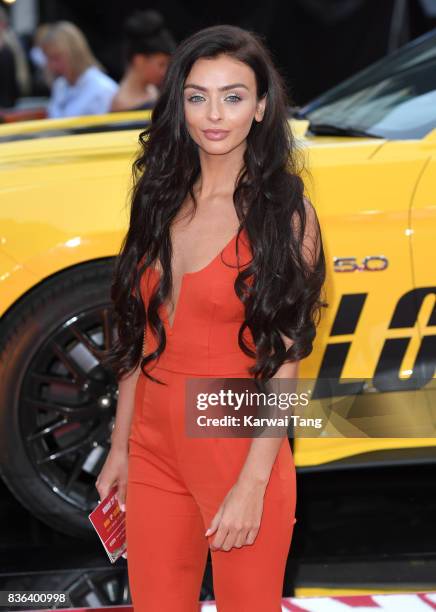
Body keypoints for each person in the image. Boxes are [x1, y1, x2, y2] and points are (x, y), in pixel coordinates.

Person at [97, 24, 327, 611]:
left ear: (261, 107)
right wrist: (120, 447)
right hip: (151, 446)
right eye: (197, 96)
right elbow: (138, 335)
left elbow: (285, 364)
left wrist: (253, 485)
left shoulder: (284, 215)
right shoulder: (159, 195)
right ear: (179, 104)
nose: (213, 114)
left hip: (234, 433)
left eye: (233, 96)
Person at [40, 21, 118, 118]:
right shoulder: (60, 85)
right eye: (48, 59)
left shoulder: (103, 90)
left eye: (56, 58)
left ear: (75, 53)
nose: (51, 66)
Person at [110, 9, 176, 112]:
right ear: (139, 61)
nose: (164, 71)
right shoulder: (122, 104)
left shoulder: (152, 90)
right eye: (161, 64)